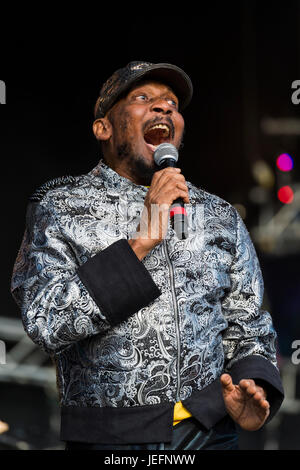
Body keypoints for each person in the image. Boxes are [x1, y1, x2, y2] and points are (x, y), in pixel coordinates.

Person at [10, 61, 284, 450]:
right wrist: (140, 241)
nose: (164, 108)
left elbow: (250, 325)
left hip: (209, 434)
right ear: (103, 127)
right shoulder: (61, 207)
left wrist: (254, 388)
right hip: (109, 439)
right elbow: (45, 322)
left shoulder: (219, 216)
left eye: (172, 102)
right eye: (143, 98)